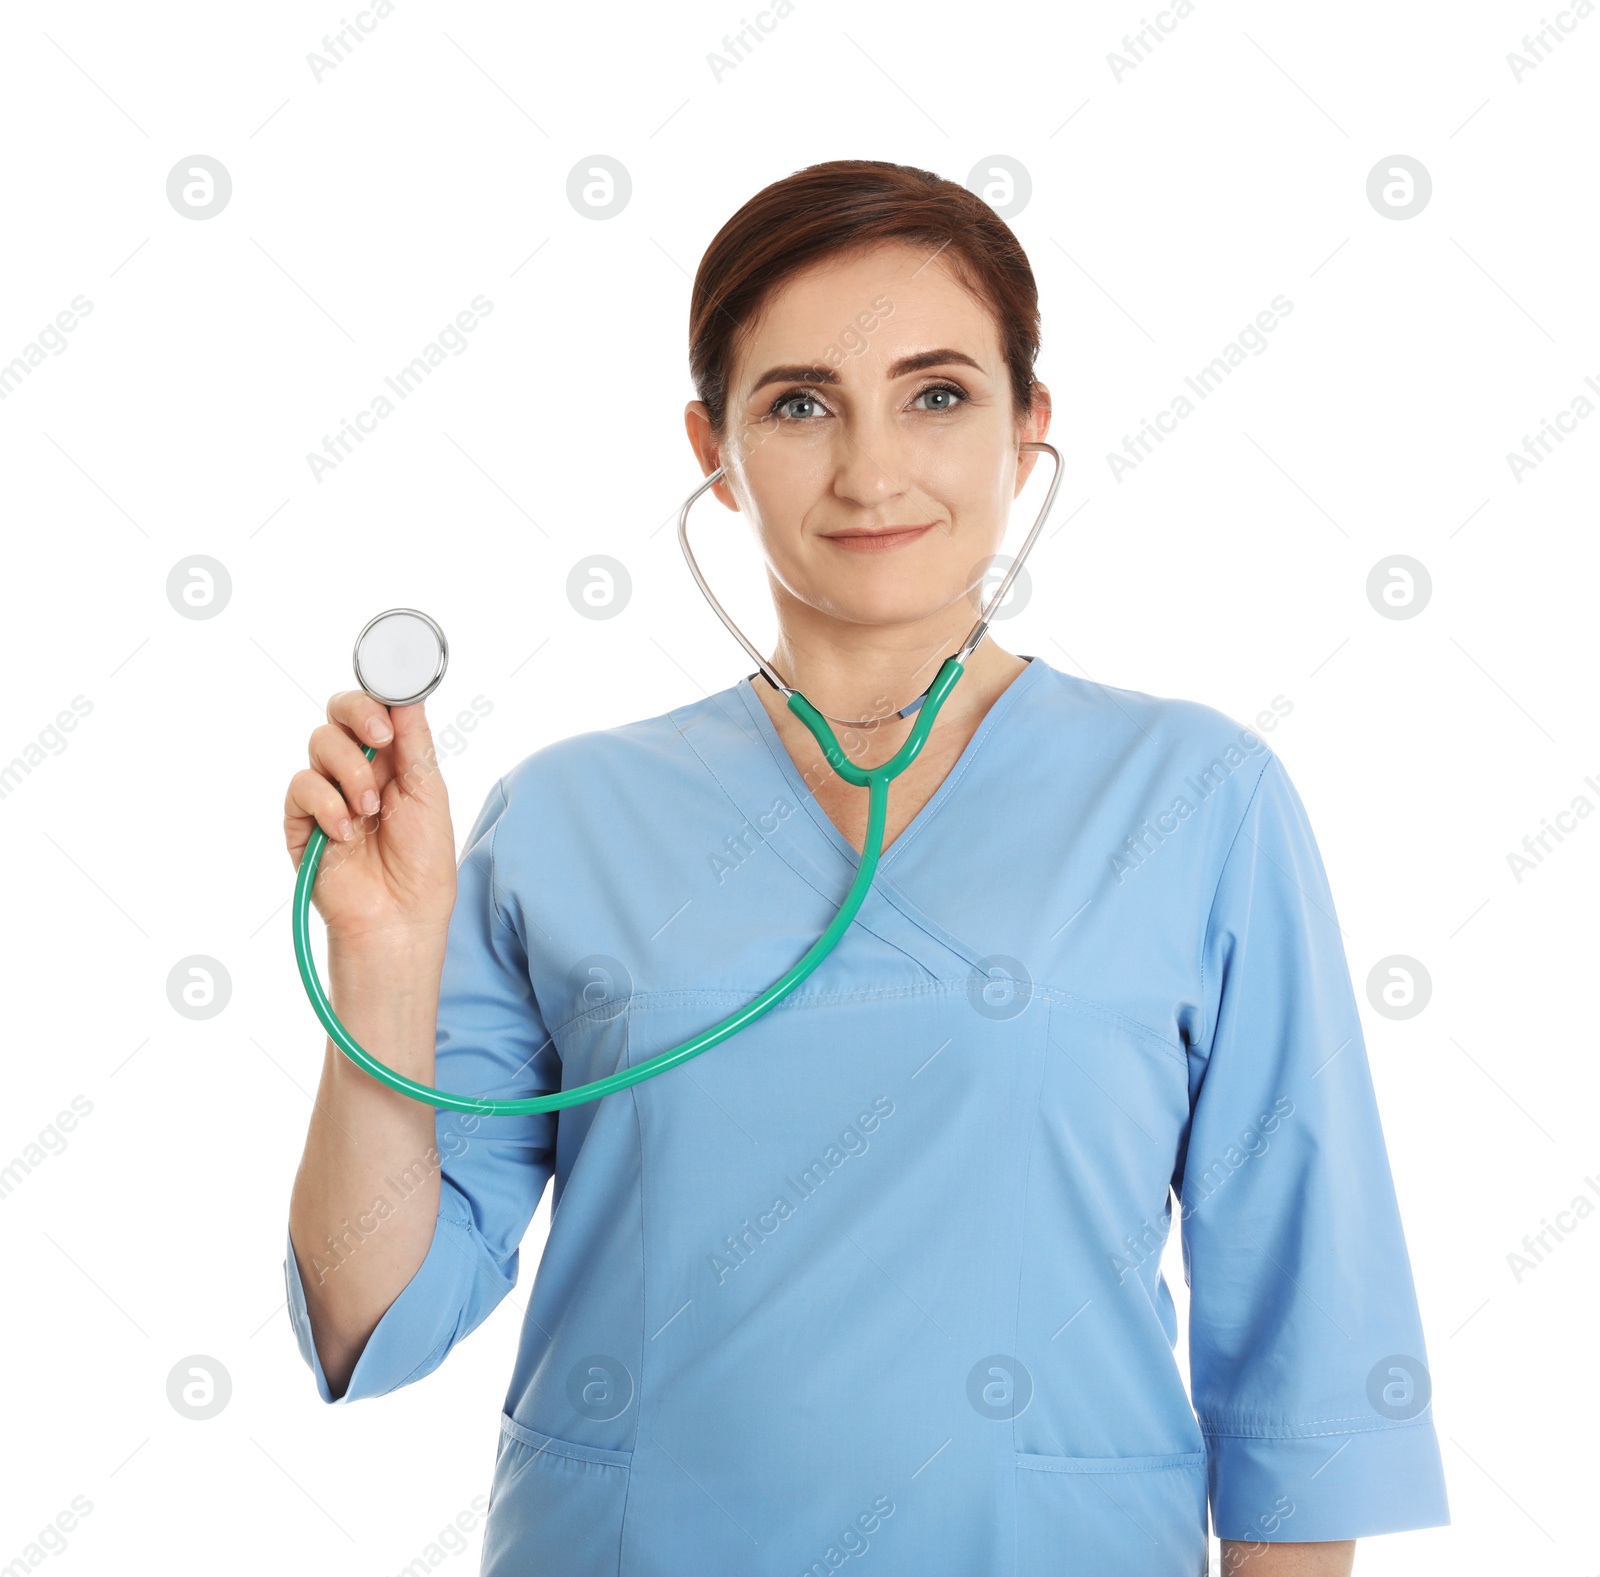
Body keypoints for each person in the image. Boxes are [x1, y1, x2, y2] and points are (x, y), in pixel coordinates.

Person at [282, 159, 1449, 1576]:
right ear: (713, 448)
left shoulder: (1198, 799)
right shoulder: (565, 817)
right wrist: (385, 965)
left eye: (938, 393)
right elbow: (372, 1311)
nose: (871, 467)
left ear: (1029, 429)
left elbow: (1305, 1354)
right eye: (799, 403)